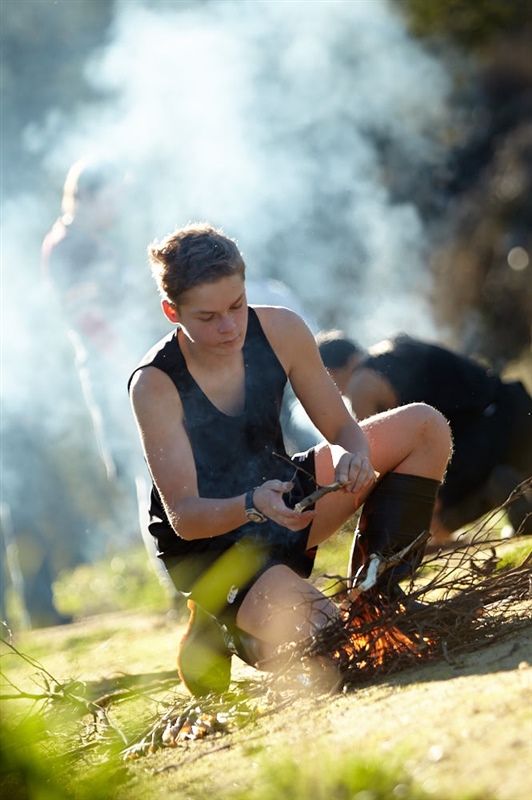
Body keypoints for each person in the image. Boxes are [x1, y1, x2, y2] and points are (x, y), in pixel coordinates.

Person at [128, 223, 452, 696]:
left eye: (237, 306)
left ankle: (378, 598)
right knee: (338, 646)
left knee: (424, 425)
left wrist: (353, 455)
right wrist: (251, 504)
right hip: (214, 548)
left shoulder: (280, 329)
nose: (229, 327)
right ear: (171, 311)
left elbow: (343, 430)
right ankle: (219, 625)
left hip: (282, 498)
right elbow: (184, 519)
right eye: (207, 316)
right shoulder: (154, 385)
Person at [317, 331, 532, 542]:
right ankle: (515, 500)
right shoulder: (400, 345)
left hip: (484, 439)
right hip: (514, 407)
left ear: (332, 373)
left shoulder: (360, 385)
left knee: (431, 521)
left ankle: (506, 493)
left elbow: (374, 460)